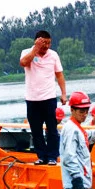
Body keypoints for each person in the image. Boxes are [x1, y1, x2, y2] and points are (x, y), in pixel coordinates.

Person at [20, 30, 67, 166]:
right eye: (43, 42)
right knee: (36, 130)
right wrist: (35, 49)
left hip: (49, 98)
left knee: (52, 129)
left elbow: (59, 75)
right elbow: (23, 63)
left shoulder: (53, 55)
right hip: (32, 98)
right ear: (36, 41)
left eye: (48, 43)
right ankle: (41, 156)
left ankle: (52, 156)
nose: (46, 46)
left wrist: (63, 93)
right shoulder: (27, 52)